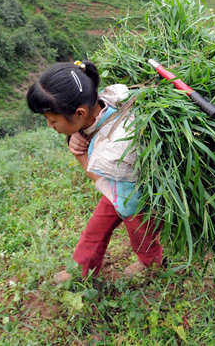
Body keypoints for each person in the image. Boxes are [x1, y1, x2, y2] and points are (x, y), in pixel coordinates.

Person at [26, 60, 163, 282]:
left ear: (80, 113)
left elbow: (102, 181)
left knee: (141, 235)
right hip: (118, 185)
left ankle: (151, 263)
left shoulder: (113, 149)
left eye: (53, 121)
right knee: (94, 232)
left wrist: (79, 154)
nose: (50, 126)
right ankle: (81, 270)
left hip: (132, 197)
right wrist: (78, 134)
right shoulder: (106, 101)